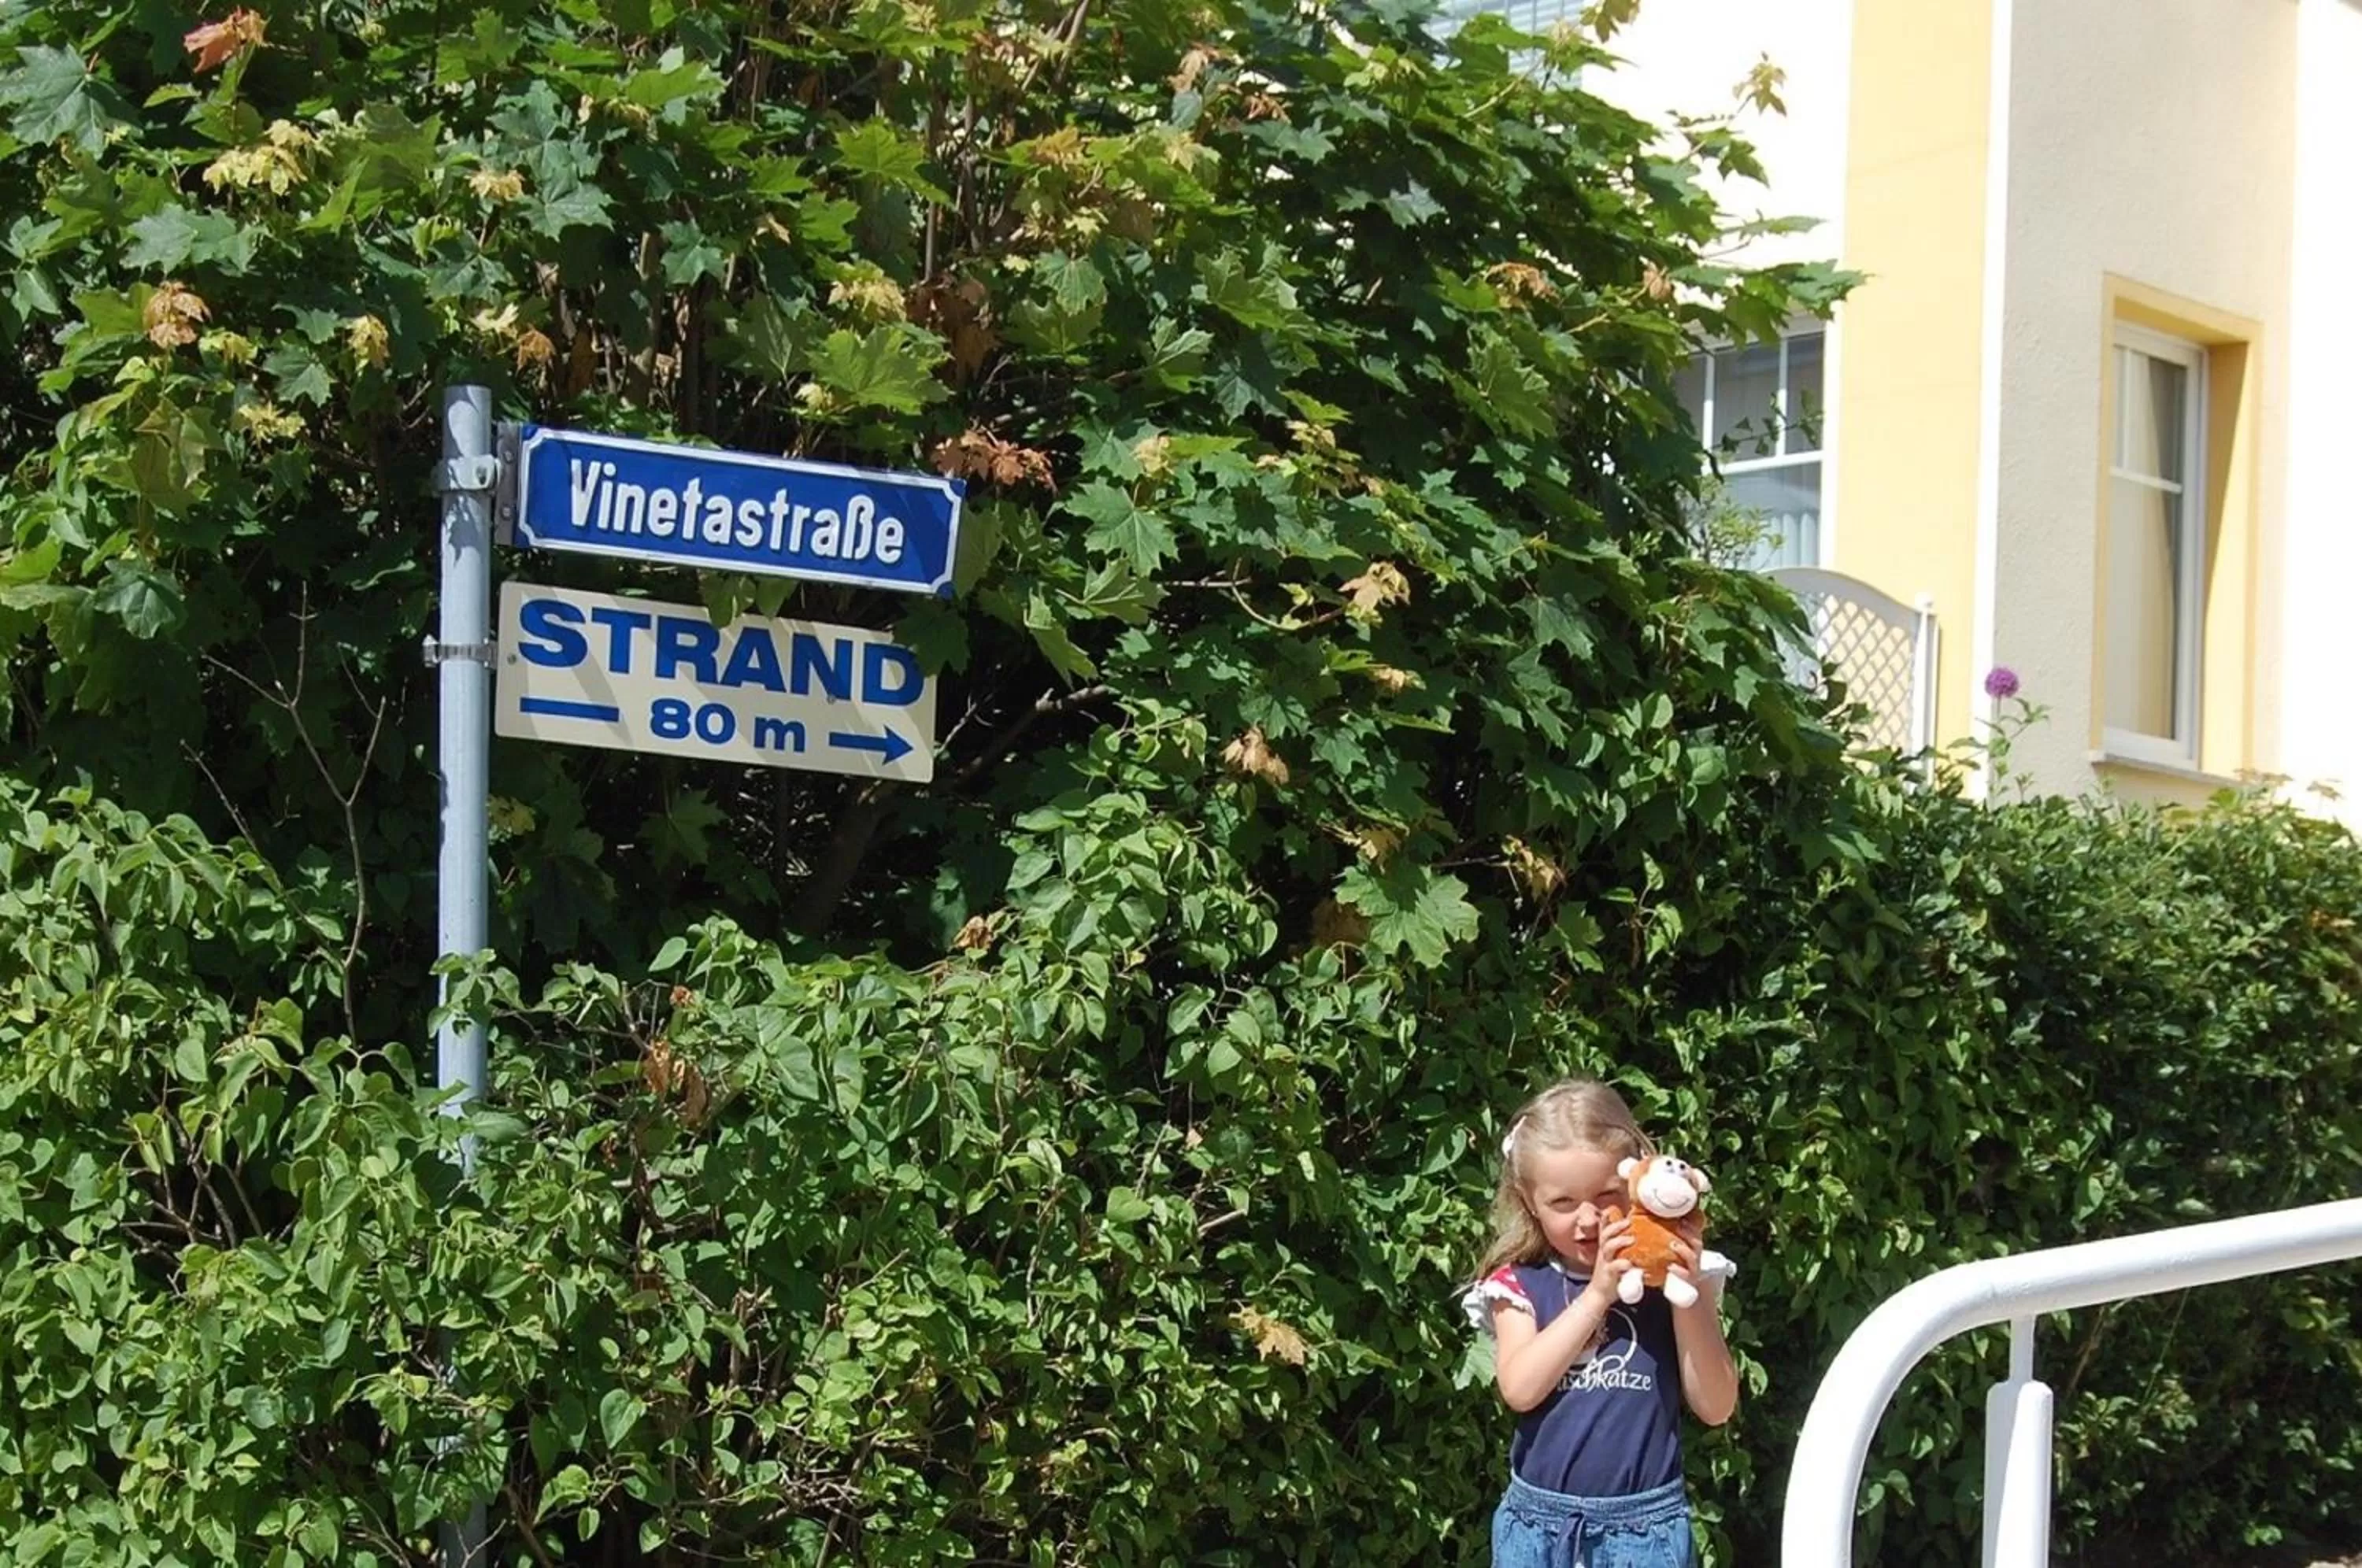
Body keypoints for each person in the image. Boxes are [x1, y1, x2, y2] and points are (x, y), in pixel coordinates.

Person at [1461, 1077, 1740, 1568]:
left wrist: (1689, 1289)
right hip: (1539, 1528)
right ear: (1529, 1202)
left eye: (1607, 1194)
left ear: (1635, 1181)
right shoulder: (1519, 1285)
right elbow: (1520, 1389)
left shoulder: (1671, 1285)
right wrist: (1597, 1297)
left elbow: (1716, 1405)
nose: (1588, 1219)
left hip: (1645, 1531)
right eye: (1563, 1203)